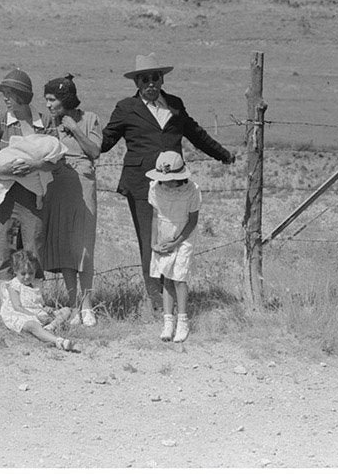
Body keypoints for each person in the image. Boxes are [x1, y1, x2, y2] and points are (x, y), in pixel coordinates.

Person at [100, 53, 235, 313]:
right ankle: (157, 304)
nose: (151, 83)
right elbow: (105, 142)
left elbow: (196, 134)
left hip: (174, 186)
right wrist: (76, 132)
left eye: (155, 78)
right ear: (137, 82)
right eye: (145, 79)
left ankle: (172, 302)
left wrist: (223, 155)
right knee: (150, 242)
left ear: (162, 80)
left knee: (174, 240)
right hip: (141, 185)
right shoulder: (125, 108)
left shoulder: (175, 104)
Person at [0, 69, 50, 287]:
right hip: (4, 197)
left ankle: (32, 300)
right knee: (4, 246)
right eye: (4, 93)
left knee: (33, 245)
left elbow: (56, 160)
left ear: (23, 95)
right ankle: (9, 305)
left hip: (33, 198)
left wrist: (35, 165)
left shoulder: (44, 123)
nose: (5, 98)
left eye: (10, 93)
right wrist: (4, 171)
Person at [42, 75, 102, 326]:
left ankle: (87, 305)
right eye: (46, 100)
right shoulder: (48, 124)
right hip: (57, 185)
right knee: (65, 244)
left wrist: (75, 129)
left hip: (83, 185)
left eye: (52, 100)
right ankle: (72, 304)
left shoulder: (89, 119)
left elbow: (95, 151)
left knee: (83, 246)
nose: (48, 105)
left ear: (64, 99)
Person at [146, 152, 201, 343]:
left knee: (180, 278)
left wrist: (176, 242)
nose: (166, 182)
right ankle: (168, 322)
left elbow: (193, 220)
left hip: (184, 236)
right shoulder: (155, 188)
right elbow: (155, 216)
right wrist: (154, 242)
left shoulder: (192, 190)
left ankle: (183, 321)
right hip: (164, 234)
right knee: (167, 278)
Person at [0, 249, 78, 351]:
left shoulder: (36, 284)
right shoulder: (14, 285)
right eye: (23, 273)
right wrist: (36, 316)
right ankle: (58, 341)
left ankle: (49, 328)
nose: (27, 277)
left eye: (31, 273)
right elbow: (17, 307)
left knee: (66, 310)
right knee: (32, 325)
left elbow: (39, 303)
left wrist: (46, 309)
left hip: (37, 312)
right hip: (23, 314)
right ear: (15, 271)